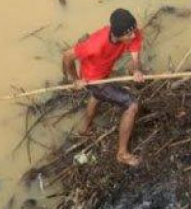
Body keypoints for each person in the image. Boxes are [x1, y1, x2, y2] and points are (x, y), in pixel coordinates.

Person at [62, 9, 145, 167]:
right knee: (132, 105)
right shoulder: (95, 44)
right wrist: (75, 80)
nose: (133, 36)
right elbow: (67, 56)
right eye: (129, 35)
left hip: (104, 71)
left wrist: (136, 70)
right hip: (92, 79)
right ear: (117, 35)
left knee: (97, 97)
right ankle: (122, 154)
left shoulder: (132, 32)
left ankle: (85, 129)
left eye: (134, 31)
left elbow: (135, 56)